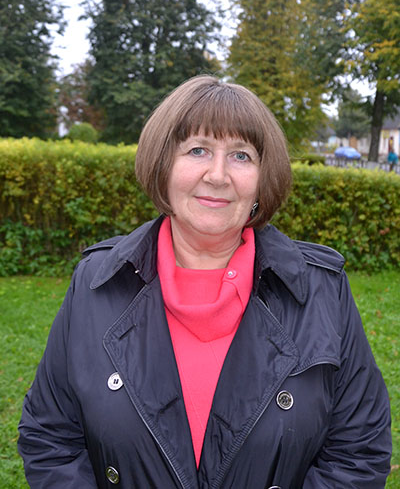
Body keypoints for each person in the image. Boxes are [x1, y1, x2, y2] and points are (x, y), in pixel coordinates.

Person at [18, 75, 391, 488]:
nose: (217, 175)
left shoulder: (322, 289)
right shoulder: (96, 282)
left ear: (262, 179)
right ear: (163, 164)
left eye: (241, 156)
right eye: (198, 150)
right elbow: (50, 437)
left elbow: (358, 451)